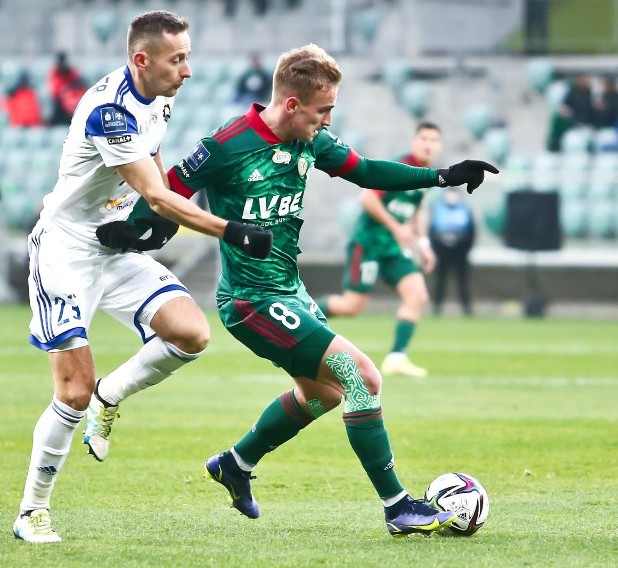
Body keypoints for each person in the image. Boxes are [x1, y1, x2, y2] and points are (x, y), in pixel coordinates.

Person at [98, 43, 498, 537]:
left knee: (323, 393)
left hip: (289, 291)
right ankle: (398, 507)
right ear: (292, 104)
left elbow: (367, 170)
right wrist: (132, 229)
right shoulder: (227, 146)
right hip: (250, 301)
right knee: (362, 378)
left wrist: (442, 176)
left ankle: (235, 464)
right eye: (323, 110)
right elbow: (169, 188)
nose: (328, 120)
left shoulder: (311, 142)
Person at [11, 10, 273, 544]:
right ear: (142, 59)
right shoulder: (110, 111)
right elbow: (157, 194)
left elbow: (154, 171)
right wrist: (232, 230)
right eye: (178, 59)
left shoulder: (160, 95)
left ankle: (113, 396)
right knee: (73, 389)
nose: (188, 70)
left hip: (114, 244)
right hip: (66, 250)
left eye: (188, 57)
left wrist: (146, 228)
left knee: (191, 333)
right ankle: (31, 511)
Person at [316, 121, 444, 379]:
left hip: (393, 249)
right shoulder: (402, 166)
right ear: (414, 142)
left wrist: (423, 244)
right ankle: (305, 315)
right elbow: (368, 198)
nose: (428, 145)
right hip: (369, 244)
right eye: (424, 139)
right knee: (352, 306)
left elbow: (416, 211)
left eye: (434, 140)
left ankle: (397, 358)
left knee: (417, 295)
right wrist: (397, 228)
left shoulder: (427, 175)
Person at [426, 187, 476, 317]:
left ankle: (466, 308)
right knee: (440, 281)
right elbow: (432, 231)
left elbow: (472, 232)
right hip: (442, 252)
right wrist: (436, 248)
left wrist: (466, 249)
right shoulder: (439, 209)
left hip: (460, 251)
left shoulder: (465, 209)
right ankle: (437, 307)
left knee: (463, 281)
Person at [47, 51, 81, 125]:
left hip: (72, 101)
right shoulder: (54, 73)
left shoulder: (71, 72)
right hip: (61, 103)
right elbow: (55, 92)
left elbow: (77, 86)